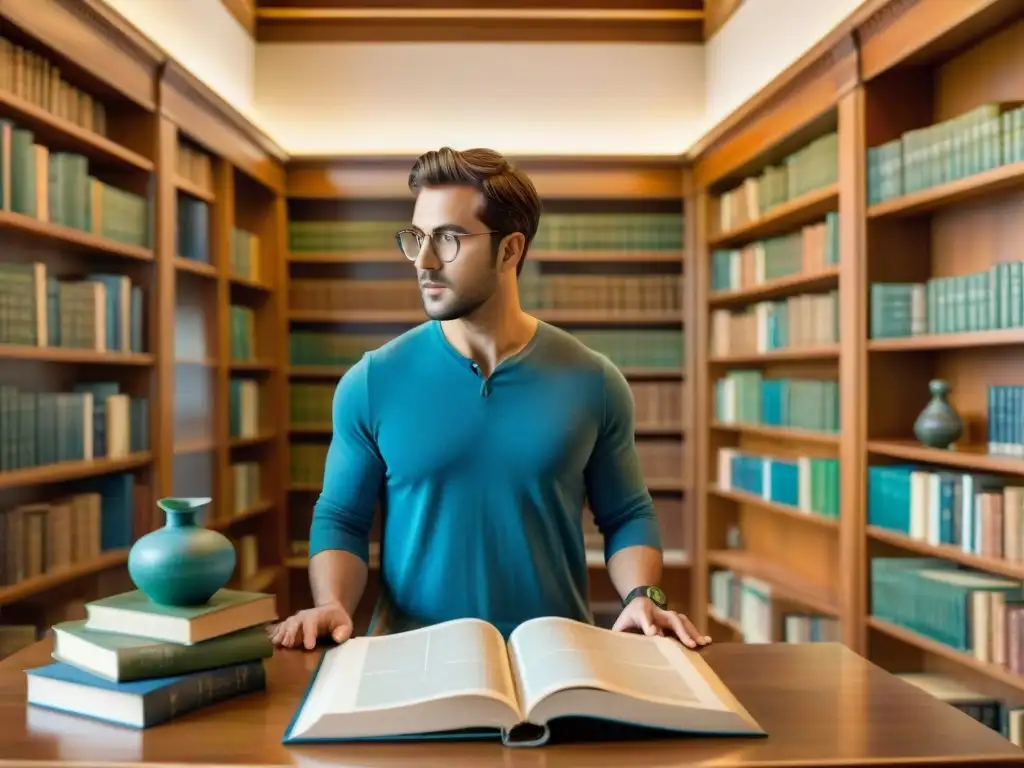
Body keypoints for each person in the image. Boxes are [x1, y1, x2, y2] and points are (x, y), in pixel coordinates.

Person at [268, 147, 708, 652]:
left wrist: (642, 594)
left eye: (449, 239)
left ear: (510, 250)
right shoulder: (372, 381)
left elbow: (626, 512)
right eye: (417, 238)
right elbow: (342, 517)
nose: (425, 261)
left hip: (555, 660)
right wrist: (333, 603)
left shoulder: (594, 381)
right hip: (410, 659)